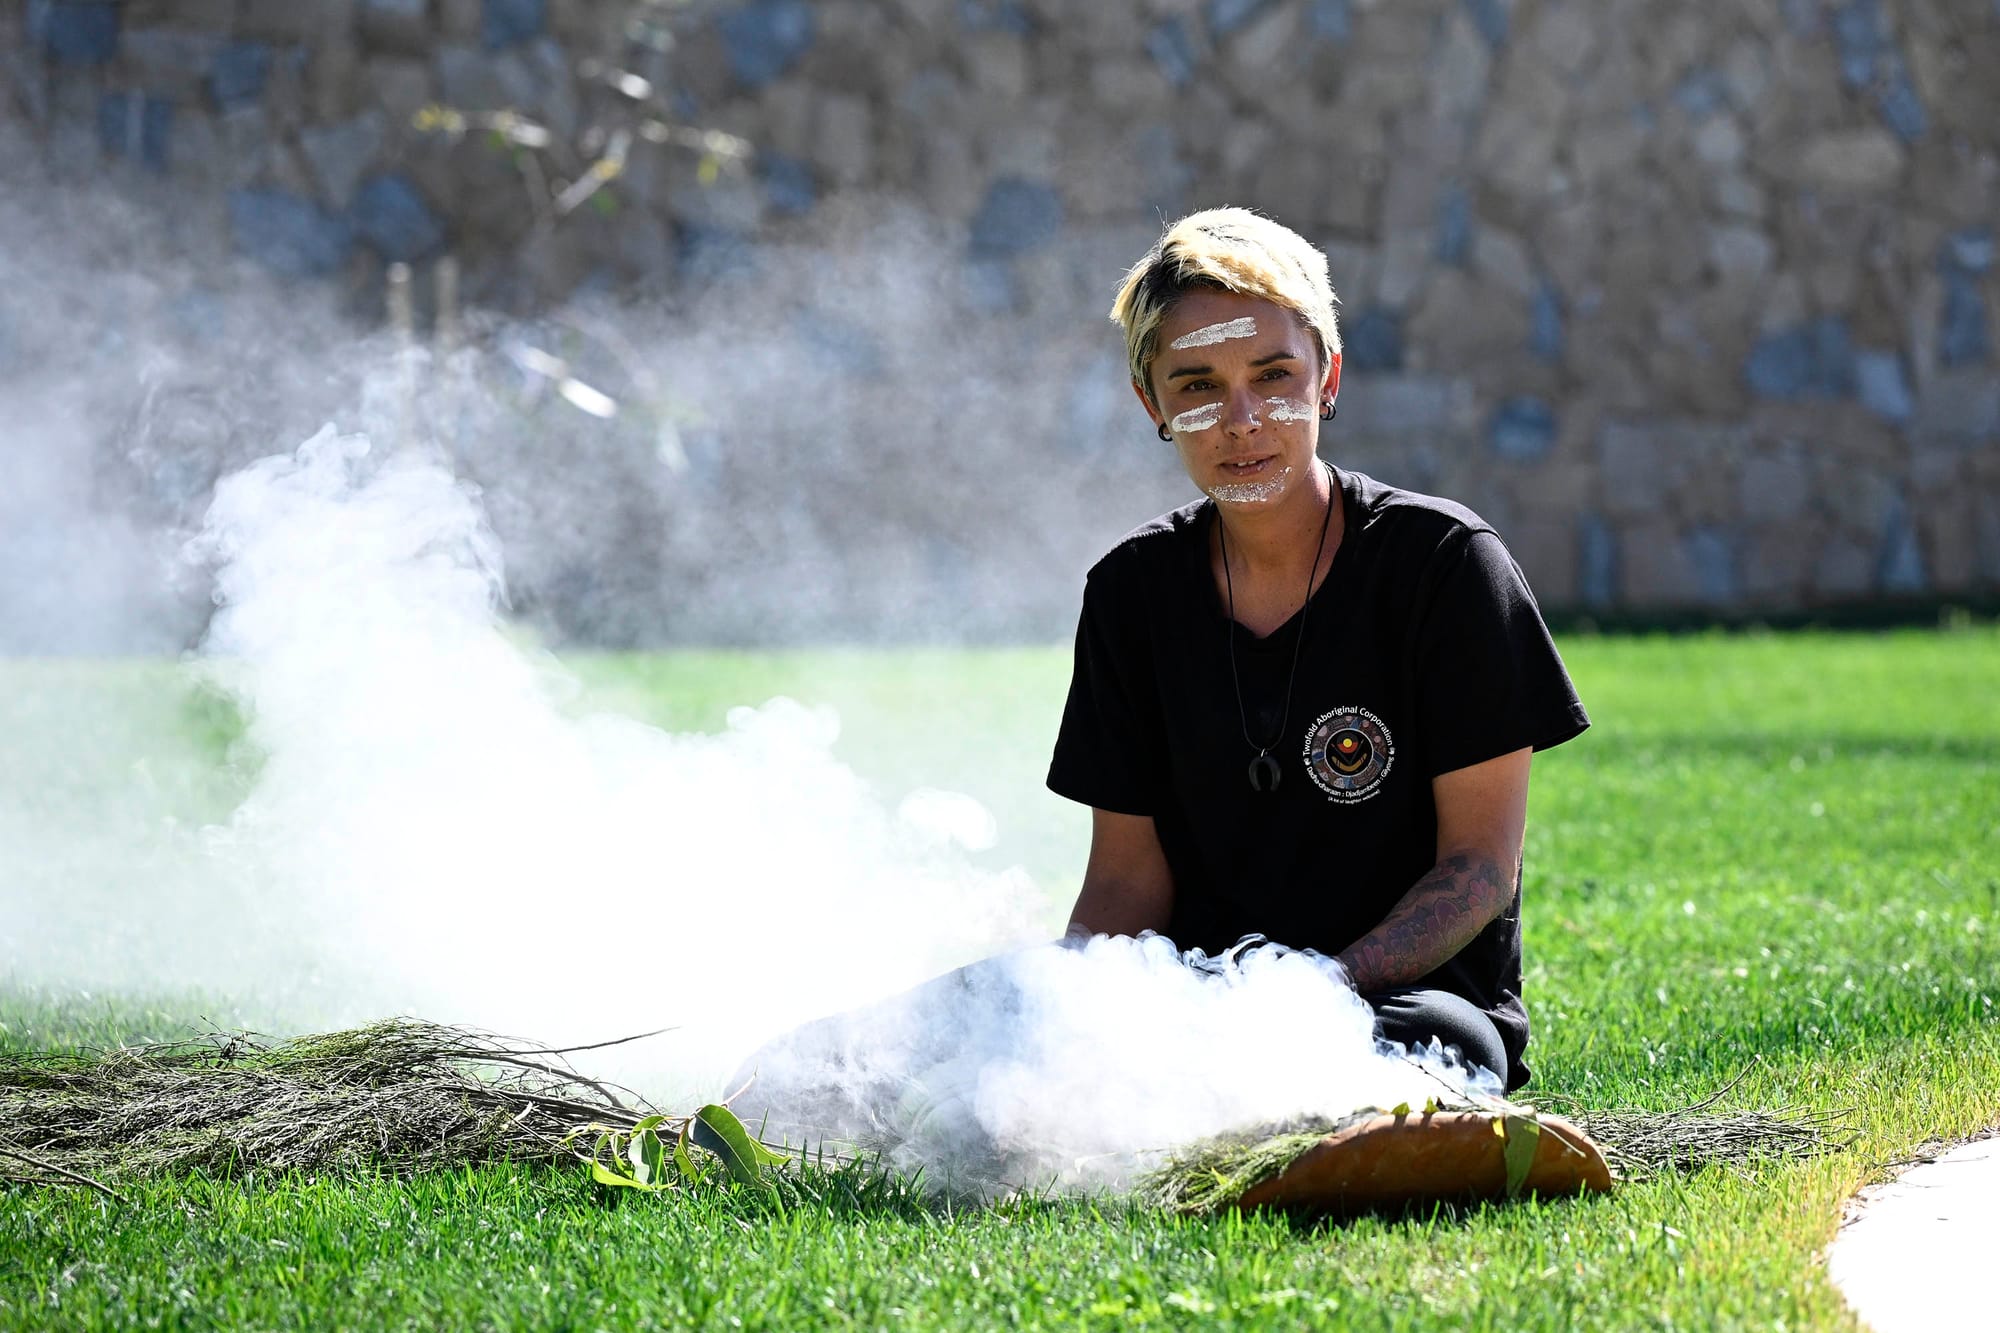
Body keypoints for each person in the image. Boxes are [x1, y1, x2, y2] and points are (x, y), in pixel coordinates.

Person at [1048, 207, 1588, 1092]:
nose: (1243, 418)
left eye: (1273, 374)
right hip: (1195, 1011)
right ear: (1152, 402)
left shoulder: (1446, 565)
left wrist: (1314, 991)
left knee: (1418, 1050)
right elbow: (1123, 886)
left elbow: (1479, 869)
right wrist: (1066, 1023)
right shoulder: (1129, 593)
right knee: (978, 1027)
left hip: (1398, 1006)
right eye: (1197, 386)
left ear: (1327, 376)